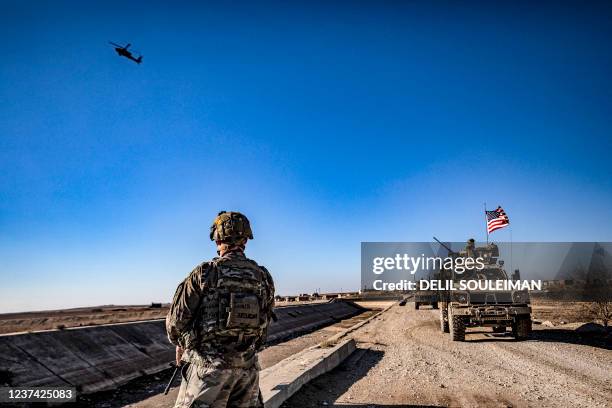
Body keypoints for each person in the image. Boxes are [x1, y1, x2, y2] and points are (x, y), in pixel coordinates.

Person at [166, 211, 275, 407]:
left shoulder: (204, 273)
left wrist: (183, 344)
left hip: (208, 372)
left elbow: (175, 324)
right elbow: (263, 326)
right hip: (247, 371)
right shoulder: (262, 276)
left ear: (217, 238)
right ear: (246, 240)